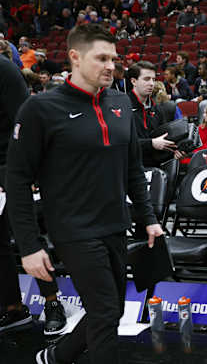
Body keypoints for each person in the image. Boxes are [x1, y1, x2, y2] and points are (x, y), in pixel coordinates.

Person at [7, 24, 162, 364]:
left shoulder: (120, 102)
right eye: (101, 58)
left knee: (111, 308)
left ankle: (57, 356)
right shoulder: (40, 109)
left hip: (116, 225)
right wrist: (29, 246)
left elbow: (133, 168)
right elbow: (17, 180)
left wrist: (148, 217)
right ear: (75, 57)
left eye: (114, 59)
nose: (110, 66)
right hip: (73, 230)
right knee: (105, 312)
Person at [0, 54, 68, 337]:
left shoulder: (4, 69)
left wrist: (22, 172)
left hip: (12, 165)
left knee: (26, 234)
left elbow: (24, 122)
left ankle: (53, 302)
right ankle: (13, 307)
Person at [128, 61, 181, 167]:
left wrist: (173, 151)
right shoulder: (122, 107)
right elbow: (122, 143)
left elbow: (160, 140)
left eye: (153, 79)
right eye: (147, 79)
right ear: (134, 81)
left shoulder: (156, 109)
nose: (152, 83)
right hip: (130, 168)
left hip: (155, 169)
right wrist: (151, 143)